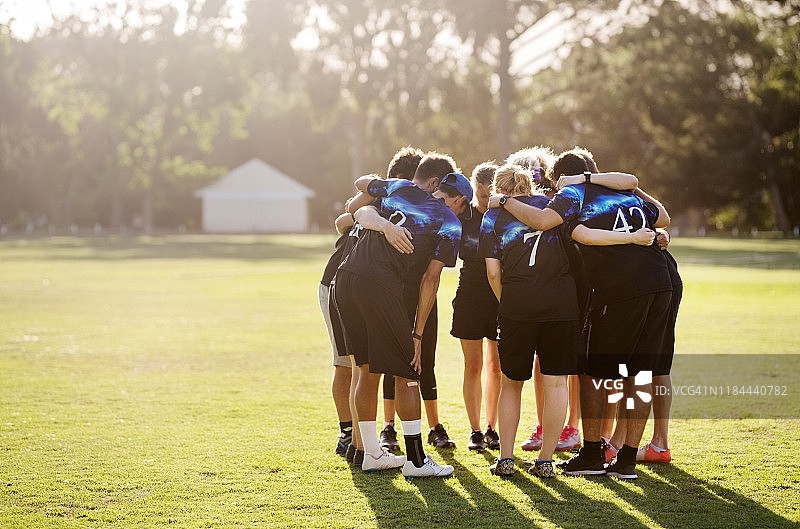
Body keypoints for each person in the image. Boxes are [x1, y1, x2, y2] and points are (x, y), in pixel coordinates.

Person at [490, 151, 671, 480]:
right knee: (641, 371)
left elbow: (551, 224)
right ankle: (626, 460)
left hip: (621, 287)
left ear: (560, 178)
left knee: (594, 371)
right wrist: (639, 230)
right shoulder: (621, 191)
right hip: (661, 281)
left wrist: (503, 201)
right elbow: (662, 217)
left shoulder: (572, 195)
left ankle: (591, 453)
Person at [335, 153, 472, 477]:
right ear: (458, 199)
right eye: (464, 207)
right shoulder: (450, 222)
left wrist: (382, 219)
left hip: (346, 278)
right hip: (379, 283)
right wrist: (417, 335)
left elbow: (360, 191)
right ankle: (416, 461)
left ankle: (371, 453)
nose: (462, 213)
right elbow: (430, 280)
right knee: (409, 371)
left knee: (366, 368)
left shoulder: (399, 187)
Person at [480, 163, 582, 478]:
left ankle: (506, 459)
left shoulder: (493, 216)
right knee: (556, 383)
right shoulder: (552, 206)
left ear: (499, 188)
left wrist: (508, 301)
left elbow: (493, 272)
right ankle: (546, 460)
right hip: (560, 305)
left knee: (511, 384)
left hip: (517, 306)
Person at [451, 161, 501, 451]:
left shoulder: (505, 215)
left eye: (490, 195)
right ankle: (475, 430)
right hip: (469, 296)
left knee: (496, 367)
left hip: (499, 296)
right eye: (481, 195)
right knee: (473, 366)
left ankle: (493, 427)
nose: (485, 201)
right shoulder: (464, 216)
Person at [318, 203, 357, 456]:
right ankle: (348, 434)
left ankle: (361, 434)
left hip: (359, 287)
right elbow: (343, 219)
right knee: (345, 363)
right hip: (335, 285)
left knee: (361, 365)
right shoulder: (378, 198)